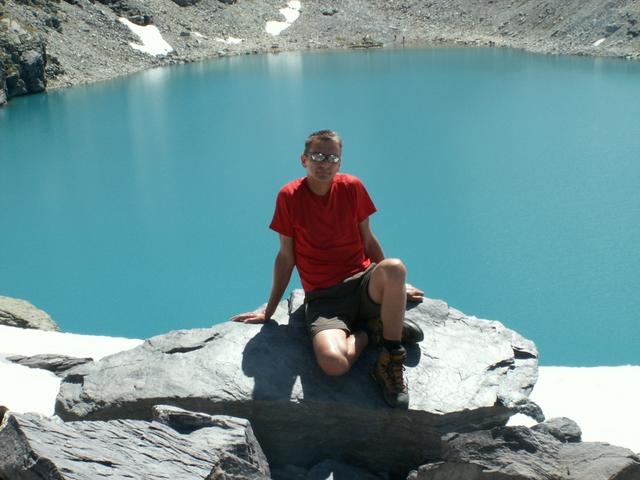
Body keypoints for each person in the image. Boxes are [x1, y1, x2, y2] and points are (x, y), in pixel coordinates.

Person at [232, 129, 424, 408]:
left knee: (395, 267)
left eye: (332, 158)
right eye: (318, 156)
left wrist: (395, 287)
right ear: (303, 160)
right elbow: (286, 258)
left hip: (363, 282)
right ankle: (374, 331)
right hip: (325, 300)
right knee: (334, 364)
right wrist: (269, 311)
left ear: (339, 163)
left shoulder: (352, 187)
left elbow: (367, 239)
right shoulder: (289, 197)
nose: (324, 163)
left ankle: (391, 358)